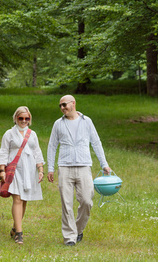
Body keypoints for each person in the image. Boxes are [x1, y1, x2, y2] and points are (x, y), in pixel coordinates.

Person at [47, 95, 111, 246]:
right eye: (60, 106)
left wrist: (104, 164)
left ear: (73, 104)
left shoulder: (86, 121)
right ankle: (70, 237)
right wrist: (50, 168)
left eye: (64, 105)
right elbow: (52, 146)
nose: (62, 108)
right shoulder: (58, 124)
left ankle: (78, 229)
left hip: (83, 166)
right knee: (66, 203)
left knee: (87, 201)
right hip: (65, 167)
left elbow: (96, 142)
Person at [0, 106, 45, 245]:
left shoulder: (32, 134)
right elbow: (3, 151)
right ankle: (19, 234)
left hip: (30, 170)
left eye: (26, 118)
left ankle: (14, 227)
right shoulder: (9, 134)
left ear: (29, 119)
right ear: (15, 118)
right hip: (15, 170)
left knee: (24, 200)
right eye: (21, 118)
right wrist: (2, 169)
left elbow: (37, 151)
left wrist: (40, 169)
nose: (24, 121)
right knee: (17, 199)